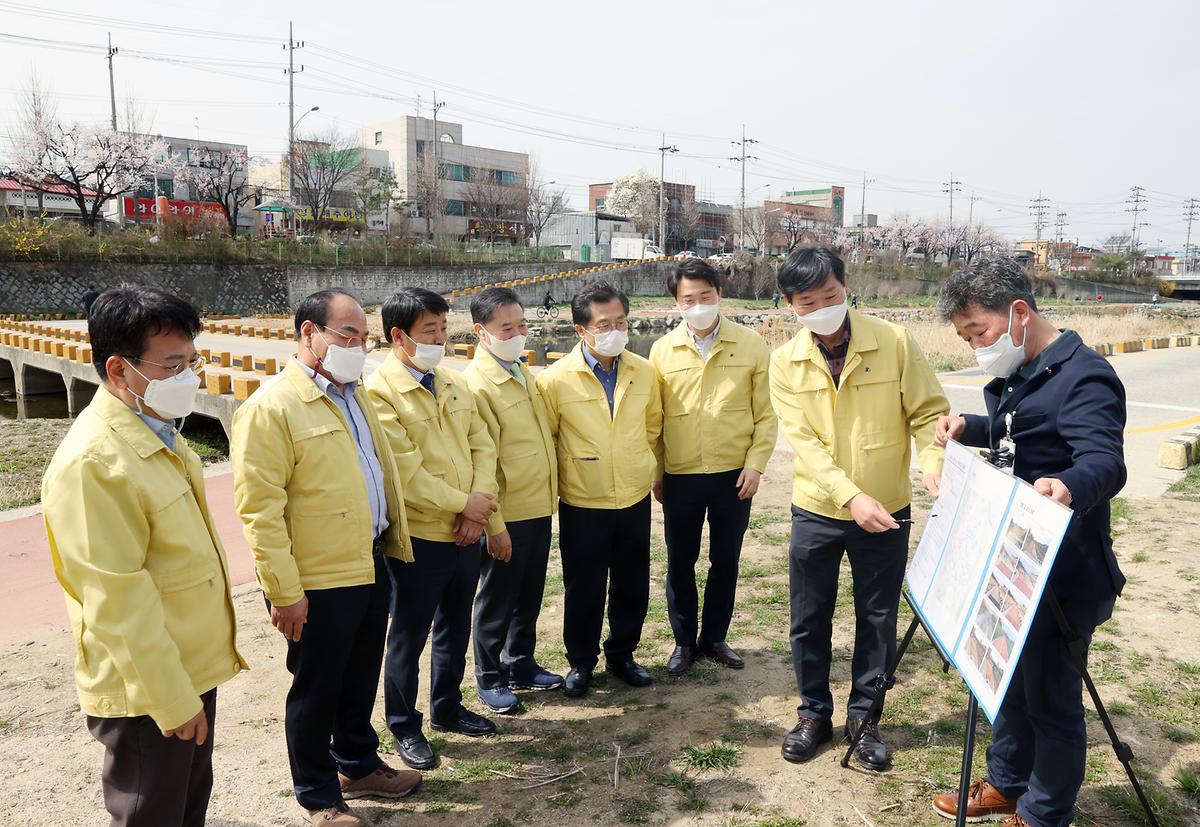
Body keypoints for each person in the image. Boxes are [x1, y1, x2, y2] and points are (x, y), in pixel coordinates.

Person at [930, 259, 1127, 827]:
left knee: (1051, 700)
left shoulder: (1085, 374)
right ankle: (1008, 783)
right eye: (965, 339)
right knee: (1007, 682)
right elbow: (1027, 429)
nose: (975, 348)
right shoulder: (1025, 366)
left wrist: (1066, 485)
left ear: (1019, 313)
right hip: (1015, 560)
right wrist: (973, 425)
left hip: (1064, 572)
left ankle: (1043, 813)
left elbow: (1103, 461)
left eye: (978, 333)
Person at [42, 284, 246, 827]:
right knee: (150, 812)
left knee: (185, 805)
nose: (190, 378)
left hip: (185, 667)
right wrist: (171, 699)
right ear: (118, 369)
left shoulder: (160, 433)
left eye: (193, 362)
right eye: (173, 365)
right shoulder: (94, 463)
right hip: (148, 689)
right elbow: (116, 599)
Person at [231, 289, 420, 827]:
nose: (358, 346)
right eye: (347, 335)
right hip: (316, 578)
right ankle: (317, 794)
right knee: (316, 686)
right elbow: (260, 512)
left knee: (359, 675)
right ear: (308, 333)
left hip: (367, 561)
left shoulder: (353, 394)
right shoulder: (271, 408)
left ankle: (357, 763)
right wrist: (285, 591)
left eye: (364, 337)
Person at [769, 245, 948, 771]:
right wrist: (849, 496)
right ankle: (813, 714)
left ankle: (866, 720)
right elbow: (804, 443)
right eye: (808, 301)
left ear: (847, 290)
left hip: (888, 507)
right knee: (809, 618)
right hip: (818, 509)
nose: (823, 307)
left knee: (877, 619)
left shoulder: (893, 341)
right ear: (789, 307)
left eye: (831, 295)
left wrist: (932, 460)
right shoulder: (784, 361)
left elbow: (928, 411)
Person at [366, 287, 500, 770]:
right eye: (431, 330)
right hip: (420, 537)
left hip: (467, 531)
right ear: (398, 336)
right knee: (408, 634)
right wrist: (464, 504)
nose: (441, 338)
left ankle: (447, 706)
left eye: (444, 328)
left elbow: (483, 446)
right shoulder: (380, 392)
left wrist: (475, 511)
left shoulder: (451, 381)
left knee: (454, 624)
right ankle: (404, 725)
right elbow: (405, 473)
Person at [536, 280, 663, 697]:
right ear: (581, 330)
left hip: (632, 495)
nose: (615, 330)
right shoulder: (555, 380)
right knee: (584, 585)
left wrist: (648, 469)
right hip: (582, 499)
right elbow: (551, 438)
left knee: (632, 581)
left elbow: (653, 426)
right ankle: (581, 661)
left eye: (621, 321)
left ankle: (623, 654)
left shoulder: (643, 370)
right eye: (604, 323)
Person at [649, 259, 776, 675]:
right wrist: (658, 473)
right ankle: (684, 642)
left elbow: (766, 415)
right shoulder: (662, 351)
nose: (699, 304)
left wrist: (756, 465)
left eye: (706, 296)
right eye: (689, 298)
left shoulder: (751, 344)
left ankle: (715, 637)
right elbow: (655, 422)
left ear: (719, 293)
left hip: (733, 476)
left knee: (726, 559)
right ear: (676, 303)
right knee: (680, 561)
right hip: (681, 476)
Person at [464, 287, 563, 714]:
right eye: (507, 327)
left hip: (538, 504)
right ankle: (489, 675)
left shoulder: (520, 372)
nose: (518, 333)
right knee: (497, 597)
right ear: (481, 332)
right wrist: (494, 524)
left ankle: (520, 662)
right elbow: (480, 462)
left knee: (529, 593)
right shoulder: (478, 384)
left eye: (522, 324)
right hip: (505, 513)